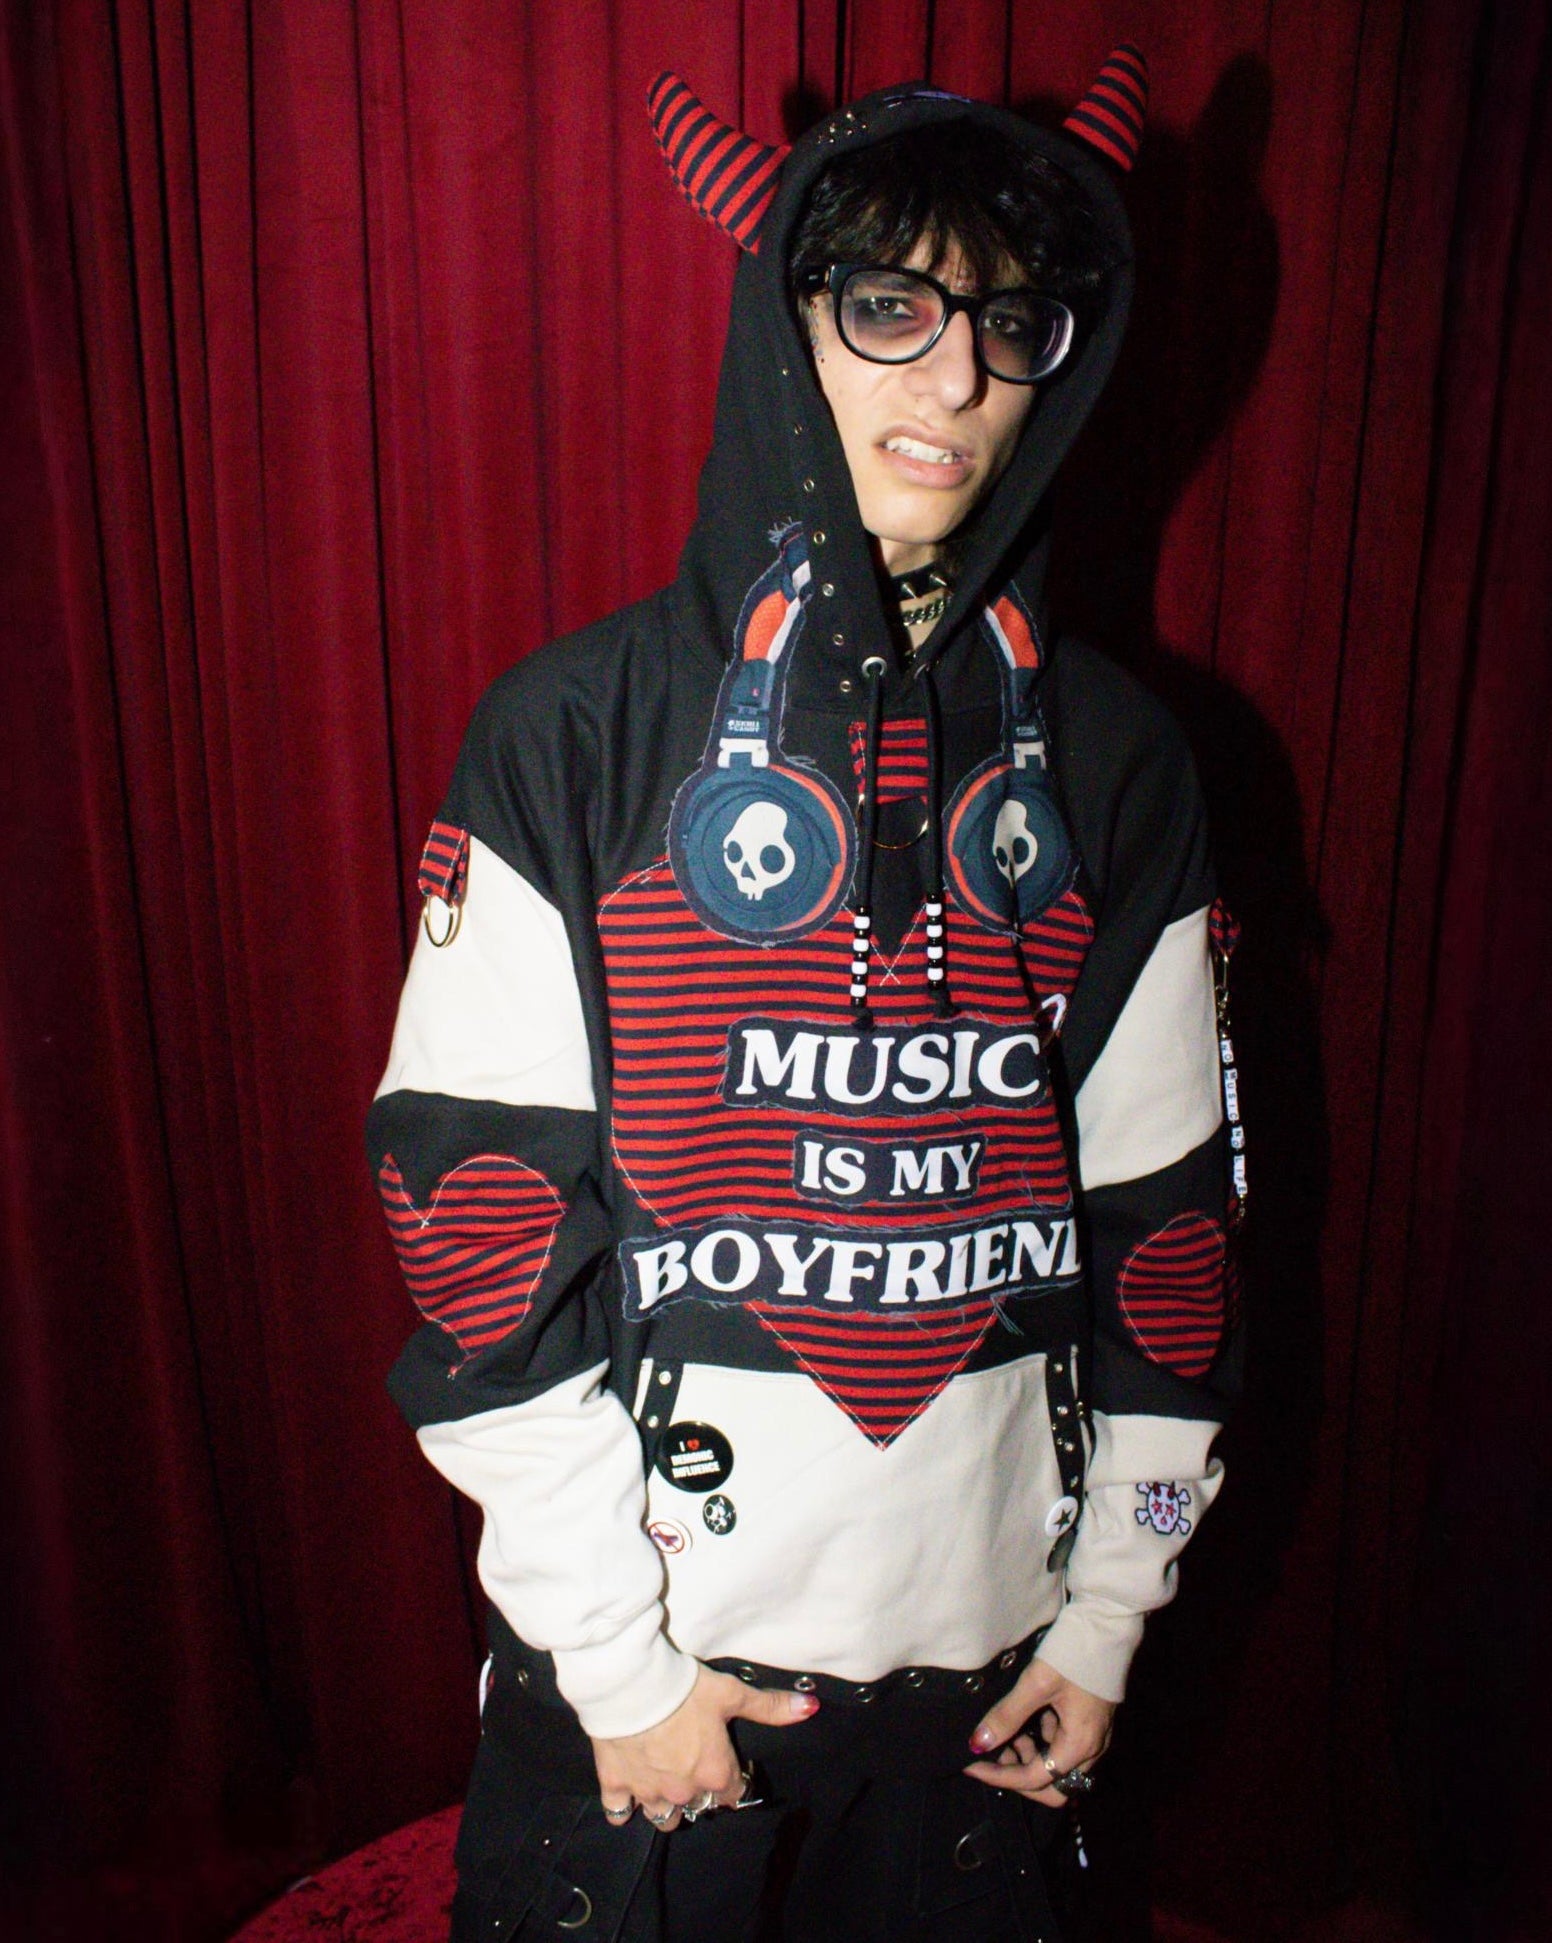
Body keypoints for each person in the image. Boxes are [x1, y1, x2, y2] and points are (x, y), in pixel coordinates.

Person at [370, 49, 1243, 1943]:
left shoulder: (1119, 761)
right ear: (787, 330)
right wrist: (616, 1663)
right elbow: (479, 1246)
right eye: (889, 309)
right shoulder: (574, 736)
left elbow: (1172, 1244)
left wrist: (1113, 1617)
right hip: (661, 1684)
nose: (956, 381)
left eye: (1009, 326)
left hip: (990, 1697)